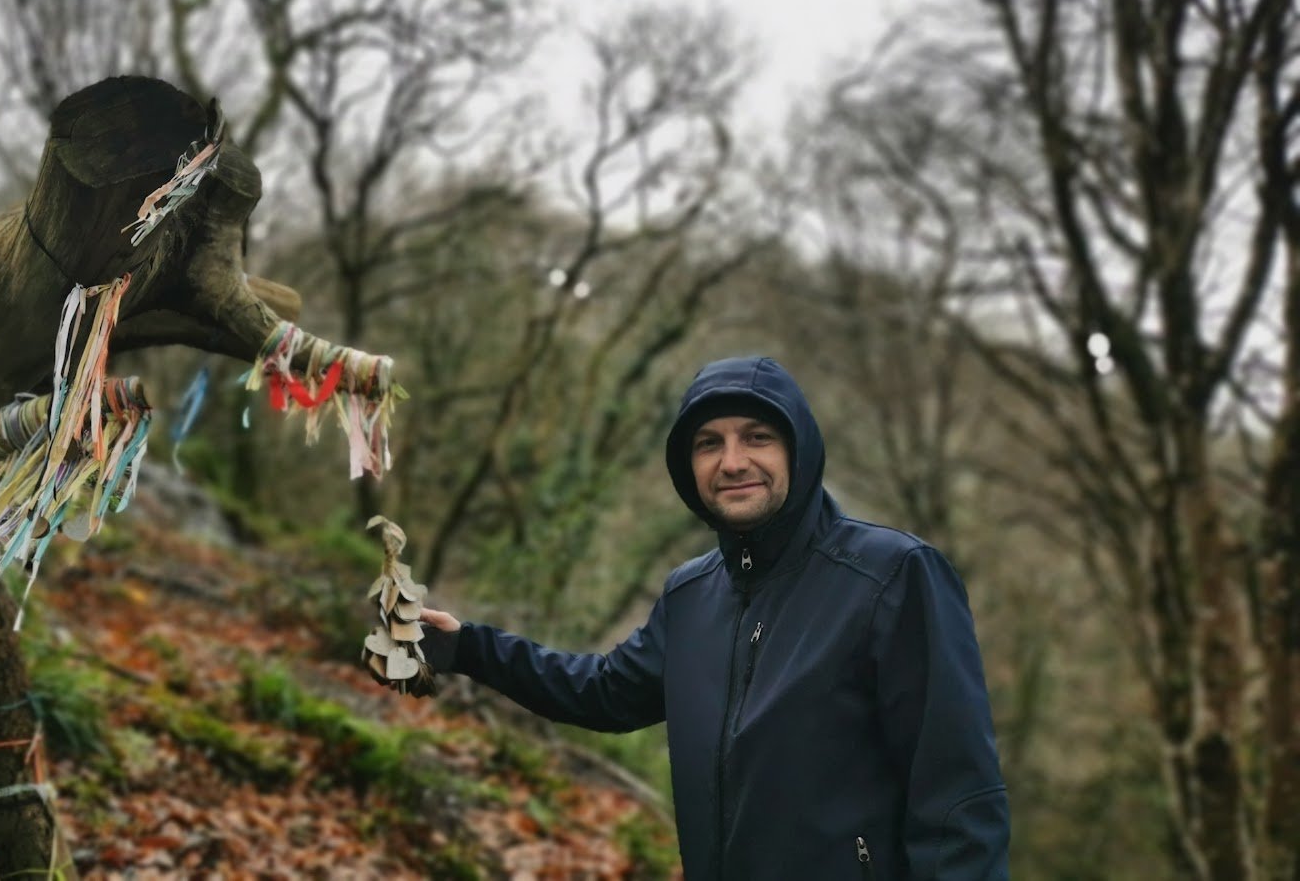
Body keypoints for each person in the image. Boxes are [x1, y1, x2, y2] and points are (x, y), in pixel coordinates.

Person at [416, 356, 1009, 880]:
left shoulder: (892, 576)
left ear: (798, 449)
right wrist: (466, 647)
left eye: (757, 437)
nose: (732, 462)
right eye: (708, 444)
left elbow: (959, 798)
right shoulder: (691, 595)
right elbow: (602, 693)